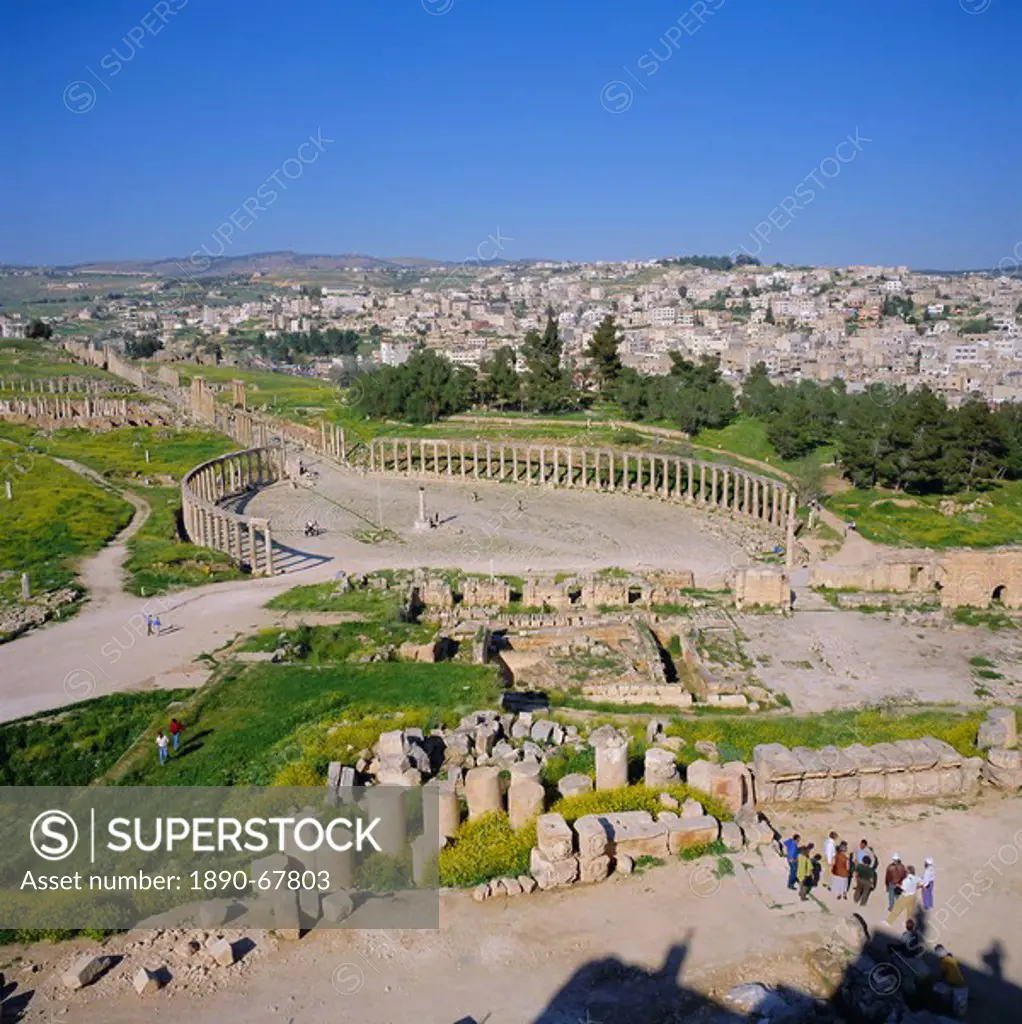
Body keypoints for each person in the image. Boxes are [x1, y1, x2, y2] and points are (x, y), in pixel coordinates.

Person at [933, 945, 968, 1019]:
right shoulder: (952, 958)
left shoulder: (944, 962)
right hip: (961, 981)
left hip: (954, 983)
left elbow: (943, 974)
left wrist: (939, 981)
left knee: (946, 994)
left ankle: (951, 1010)